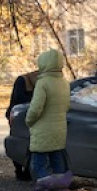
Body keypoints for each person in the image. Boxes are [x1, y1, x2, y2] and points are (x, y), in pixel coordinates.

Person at [25, 49, 70, 180]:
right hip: (59, 131)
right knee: (57, 163)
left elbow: (35, 109)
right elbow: (67, 106)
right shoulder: (65, 83)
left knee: (39, 165)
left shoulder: (43, 83)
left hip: (42, 132)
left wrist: (28, 121)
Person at [6, 69, 40, 181]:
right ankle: (19, 170)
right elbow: (18, 98)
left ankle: (27, 170)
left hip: (31, 114)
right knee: (19, 140)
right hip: (17, 114)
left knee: (30, 143)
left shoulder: (40, 82)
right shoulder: (22, 80)